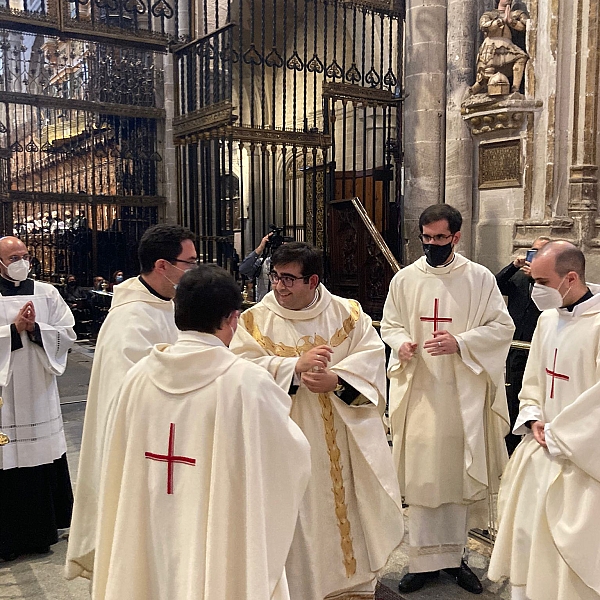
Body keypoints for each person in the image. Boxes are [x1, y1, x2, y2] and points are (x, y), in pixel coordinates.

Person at [91, 265, 310, 600]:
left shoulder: (137, 377)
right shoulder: (246, 382)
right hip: (214, 537)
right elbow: (290, 460)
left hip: (149, 526)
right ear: (233, 319)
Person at [231, 241, 404, 600]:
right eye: (275, 276)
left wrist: (338, 381)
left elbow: (372, 363)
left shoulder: (348, 315)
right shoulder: (252, 322)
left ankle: (348, 585)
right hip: (283, 440)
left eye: (289, 279)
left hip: (341, 441)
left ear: (312, 281)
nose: (278, 286)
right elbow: (238, 373)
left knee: (342, 511)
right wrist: (291, 368)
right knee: (294, 516)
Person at [380, 204, 515, 594]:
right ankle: (422, 563)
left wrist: (461, 342)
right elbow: (390, 323)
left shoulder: (479, 278)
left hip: (461, 394)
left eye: (440, 238)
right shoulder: (405, 280)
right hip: (420, 390)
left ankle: (455, 561)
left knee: (455, 475)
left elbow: (502, 326)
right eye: (426, 237)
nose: (432, 245)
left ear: (457, 237)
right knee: (423, 477)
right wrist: (400, 343)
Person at [66, 224, 197, 581]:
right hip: (144, 448)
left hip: (173, 440)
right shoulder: (131, 319)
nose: (193, 271)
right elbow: (135, 392)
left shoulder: (168, 305)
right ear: (162, 265)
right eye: (189, 263)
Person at [488, 241, 600, 600]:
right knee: (527, 535)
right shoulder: (548, 319)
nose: (535, 289)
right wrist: (533, 414)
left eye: (542, 282)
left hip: (581, 461)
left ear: (571, 277)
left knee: (569, 553)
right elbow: (534, 378)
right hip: (540, 448)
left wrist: (562, 436)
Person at [0, 236, 77, 561]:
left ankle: (44, 530)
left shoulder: (47, 293)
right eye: (13, 256)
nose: (21, 261)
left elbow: (68, 333)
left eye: (25, 255)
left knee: (39, 456)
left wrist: (36, 330)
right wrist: (12, 330)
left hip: (38, 388)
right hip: (5, 393)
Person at [496, 236, 550, 454]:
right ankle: (509, 442)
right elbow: (495, 284)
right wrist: (513, 266)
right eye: (533, 251)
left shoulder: (549, 281)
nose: (535, 255)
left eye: (542, 252)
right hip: (514, 345)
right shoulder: (519, 278)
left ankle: (528, 436)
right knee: (512, 393)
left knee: (531, 393)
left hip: (536, 347)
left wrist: (539, 279)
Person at [238, 229, 293, 301]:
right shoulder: (263, 263)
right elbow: (243, 269)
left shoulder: (294, 266)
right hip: (264, 307)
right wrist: (260, 248)